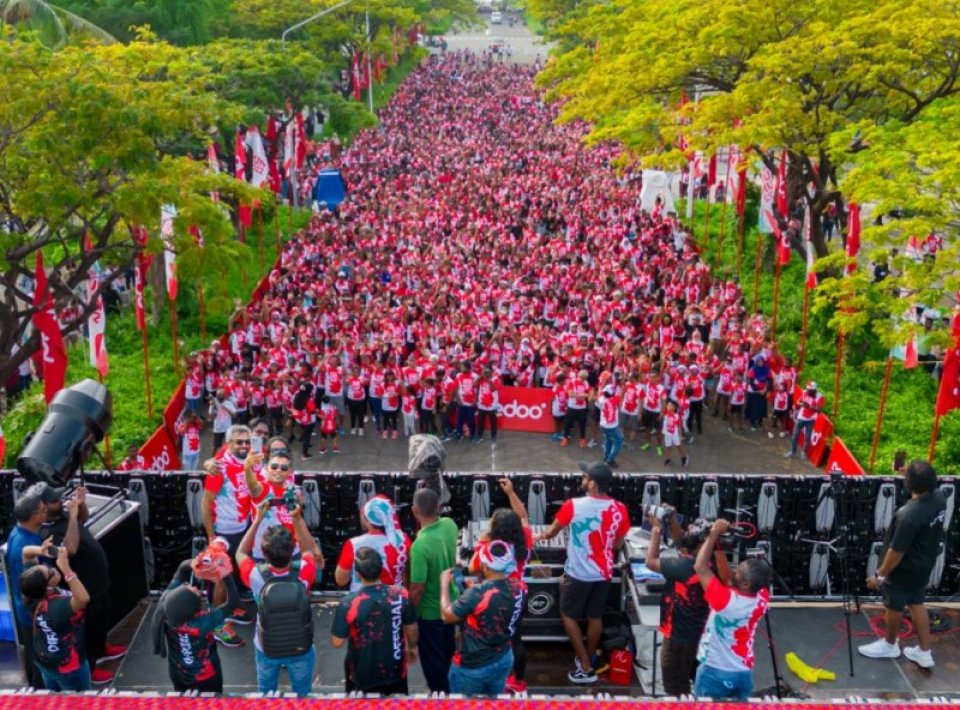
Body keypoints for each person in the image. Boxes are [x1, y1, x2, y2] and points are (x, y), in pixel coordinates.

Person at [536, 461, 630, 684]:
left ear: (593, 484)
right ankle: (588, 658)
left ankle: (585, 667)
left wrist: (540, 536)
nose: (582, 480)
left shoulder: (573, 505)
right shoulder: (620, 509)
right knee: (594, 616)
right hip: (604, 573)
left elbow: (551, 532)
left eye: (585, 477)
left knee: (568, 614)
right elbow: (617, 544)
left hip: (578, 573)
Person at [858, 461, 947, 669]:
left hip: (903, 570)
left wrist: (879, 576)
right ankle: (924, 652)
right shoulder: (939, 500)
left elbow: (896, 552)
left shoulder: (909, 516)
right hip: (924, 565)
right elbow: (922, 483)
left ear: (910, 485)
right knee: (917, 603)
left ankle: (889, 644)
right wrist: (908, 474)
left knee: (894, 605)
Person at [41, 485, 126, 684]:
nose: (60, 502)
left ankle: (102, 647)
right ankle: (91, 666)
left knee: (102, 618)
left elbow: (83, 519)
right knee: (89, 626)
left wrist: (80, 504)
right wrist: (71, 515)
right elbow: (69, 549)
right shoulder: (46, 531)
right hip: (83, 585)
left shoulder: (64, 515)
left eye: (60, 498)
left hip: (98, 581)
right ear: (43, 506)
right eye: (55, 501)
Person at [237, 501, 319, 697]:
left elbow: (240, 552)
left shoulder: (255, 574)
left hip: (266, 647)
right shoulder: (306, 570)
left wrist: (257, 520)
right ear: (292, 551)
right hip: (301, 645)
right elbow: (309, 550)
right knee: (302, 695)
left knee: (267, 696)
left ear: (264, 553)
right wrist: (297, 518)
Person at [692, 519, 771, 700]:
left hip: (714, 671)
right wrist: (719, 545)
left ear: (745, 583)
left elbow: (700, 567)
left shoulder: (725, 602)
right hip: (742, 672)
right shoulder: (762, 597)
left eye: (738, 571)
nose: (734, 571)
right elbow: (730, 581)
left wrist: (712, 535)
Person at [467, 478, 532, 693]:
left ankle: (493, 682)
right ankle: (519, 682)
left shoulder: (489, 545)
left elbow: (472, 568)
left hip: (493, 598)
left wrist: (482, 539)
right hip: (518, 595)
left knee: (491, 640)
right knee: (515, 638)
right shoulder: (525, 537)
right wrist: (511, 493)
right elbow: (523, 516)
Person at [440, 540, 524, 697]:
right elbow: (498, 605)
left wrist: (444, 585)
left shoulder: (476, 594)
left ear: (485, 566)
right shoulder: (520, 588)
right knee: (493, 703)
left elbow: (447, 616)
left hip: (473, 666)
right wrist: (476, 591)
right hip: (503, 658)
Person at [645, 512, 715, 697]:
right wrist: (673, 519)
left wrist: (656, 530)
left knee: (675, 685)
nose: (686, 533)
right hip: (696, 631)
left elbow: (650, 562)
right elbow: (682, 541)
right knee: (690, 673)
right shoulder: (710, 562)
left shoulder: (685, 566)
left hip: (679, 636)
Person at [330, 547, 419, 694]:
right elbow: (411, 626)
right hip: (395, 672)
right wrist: (412, 647)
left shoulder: (349, 603)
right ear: (381, 569)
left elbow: (337, 642)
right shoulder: (401, 594)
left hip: (361, 675)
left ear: (358, 575)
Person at [201, 424, 257, 646]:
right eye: (239, 442)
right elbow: (205, 504)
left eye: (246, 441)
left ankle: (231, 610)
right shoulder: (219, 467)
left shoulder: (249, 461)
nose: (243, 446)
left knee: (233, 574)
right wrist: (212, 538)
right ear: (228, 444)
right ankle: (216, 624)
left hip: (243, 527)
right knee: (221, 579)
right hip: (224, 531)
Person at [152, 557, 240, 693]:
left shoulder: (166, 606)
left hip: (178, 674)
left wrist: (197, 563)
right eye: (193, 591)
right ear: (194, 606)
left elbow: (181, 569)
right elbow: (233, 602)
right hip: (207, 678)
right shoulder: (203, 623)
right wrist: (226, 574)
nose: (193, 586)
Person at [19, 544, 91, 691]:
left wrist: (42, 550)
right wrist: (66, 569)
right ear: (46, 587)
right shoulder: (55, 608)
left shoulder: (30, 590)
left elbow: (26, 553)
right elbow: (83, 599)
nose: (53, 569)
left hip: (46, 660)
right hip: (67, 667)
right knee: (79, 702)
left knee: (56, 698)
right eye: (50, 572)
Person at [408, 488, 459, 693]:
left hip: (430, 614)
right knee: (449, 654)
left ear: (415, 511)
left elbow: (417, 587)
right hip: (452, 605)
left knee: (434, 662)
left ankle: (440, 697)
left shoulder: (419, 546)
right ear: (438, 507)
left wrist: (410, 614)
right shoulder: (450, 525)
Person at [4, 484, 49, 688]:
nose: (46, 510)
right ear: (33, 517)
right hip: (33, 614)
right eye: (42, 509)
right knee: (40, 661)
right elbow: (29, 587)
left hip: (27, 613)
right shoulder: (24, 545)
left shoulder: (17, 533)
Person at [335, 496, 411, 591]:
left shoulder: (353, 544)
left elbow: (341, 580)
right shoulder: (404, 540)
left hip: (362, 601)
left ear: (367, 520)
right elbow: (408, 577)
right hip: (394, 602)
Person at [784, 381, 824, 459]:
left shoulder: (820, 397)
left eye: (810, 390)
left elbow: (819, 410)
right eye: (807, 389)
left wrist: (810, 407)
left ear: (814, 390)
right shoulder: (804, 392)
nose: (808, 391)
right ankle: (792, 451)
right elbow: (798, 402)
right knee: (795, 435)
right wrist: (802, 404)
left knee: (807, 437)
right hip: (801, 417)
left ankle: (804, 453)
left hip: (811, 419)